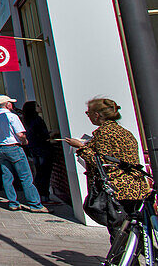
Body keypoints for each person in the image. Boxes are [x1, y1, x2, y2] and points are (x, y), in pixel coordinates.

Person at [64, 97, 150, 240]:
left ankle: (124, 260)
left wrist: (81, 148)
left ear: (97, 114)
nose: (88, 115)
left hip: (118, 188)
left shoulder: (104, 133)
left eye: (88, 112)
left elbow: (102, 162)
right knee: (132, 229)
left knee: (119, 232)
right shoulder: (124, 132)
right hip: (135, 187)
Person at [0, 95, 45, 212]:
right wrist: (24, 141)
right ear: (8, 104)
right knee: (25, 176)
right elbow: (20, 134)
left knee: (7, 176)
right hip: (13, 147)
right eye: (10, 103)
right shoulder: (12, 116)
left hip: (0, 148)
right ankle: (35, 204)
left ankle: (13, 202)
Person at [21, 101, 55, 204]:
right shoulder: (37, 120)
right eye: (38, 106)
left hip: (33, 148)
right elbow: (43, 135)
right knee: (44, 172)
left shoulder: (26, 121)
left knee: (39, 172)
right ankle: (45, 196)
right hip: (42, 148)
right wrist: (53, 133)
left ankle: (40, 195)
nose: (40, 107)